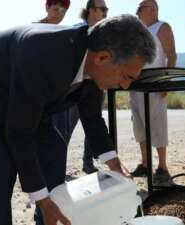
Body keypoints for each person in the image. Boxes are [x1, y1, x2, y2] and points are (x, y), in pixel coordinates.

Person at [0, 15, 155, 225]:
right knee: (1, 164)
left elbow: (92, 117)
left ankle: (51, 219)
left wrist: (114, 163)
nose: (126, 86)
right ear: (103, 57)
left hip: (18, 99)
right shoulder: (45, 55)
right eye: (126, 77)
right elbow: (20, 134)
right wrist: (42, 199)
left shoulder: (93, 62)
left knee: (54, 148)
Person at [56, 0, 109, 174]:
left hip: (94, 87)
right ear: (91, 10)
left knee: (92, 125)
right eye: (103, 9)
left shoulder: (105, 34)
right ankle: (57, 168)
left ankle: (88, 164)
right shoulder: (77, 30)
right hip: (74, 88)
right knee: (65, 129)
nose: (105, 12)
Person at [130, 0, 177, 183]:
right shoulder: (138, 31)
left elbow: (171, 55)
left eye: (140, 8)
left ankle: (162, 166)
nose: (137, 12)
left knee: (157, 123)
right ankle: (145, 163)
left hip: (155, 81)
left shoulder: (162, 27)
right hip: (136, 82)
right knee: (139, 124)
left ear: (153, 10)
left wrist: (167, 80)